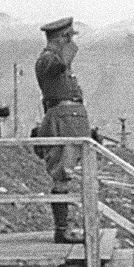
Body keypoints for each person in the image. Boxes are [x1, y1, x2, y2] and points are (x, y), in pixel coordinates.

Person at [35, 17, 90, 243]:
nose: (71, 42)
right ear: (62, 38)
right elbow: (56, 66)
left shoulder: (59, 61)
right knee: (62, 174)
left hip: (73, 120)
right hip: (63, 121)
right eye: (68, 37)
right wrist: (68, 50)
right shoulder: (48, 59)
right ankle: (62, 229)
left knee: (69, 173)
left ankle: (66, 227)